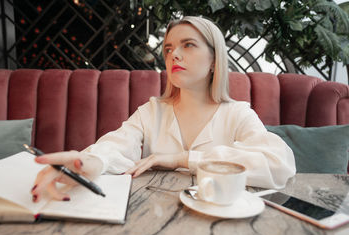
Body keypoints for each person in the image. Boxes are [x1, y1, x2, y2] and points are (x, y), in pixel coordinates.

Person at [31, 16, 296, 202]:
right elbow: (117, 144)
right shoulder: (151, 112)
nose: (173, 55)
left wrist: (183, 159)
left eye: (188, 45)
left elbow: (279, 163)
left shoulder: (237, 114)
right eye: (168, 49)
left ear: (215, 60)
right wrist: (89, 162)